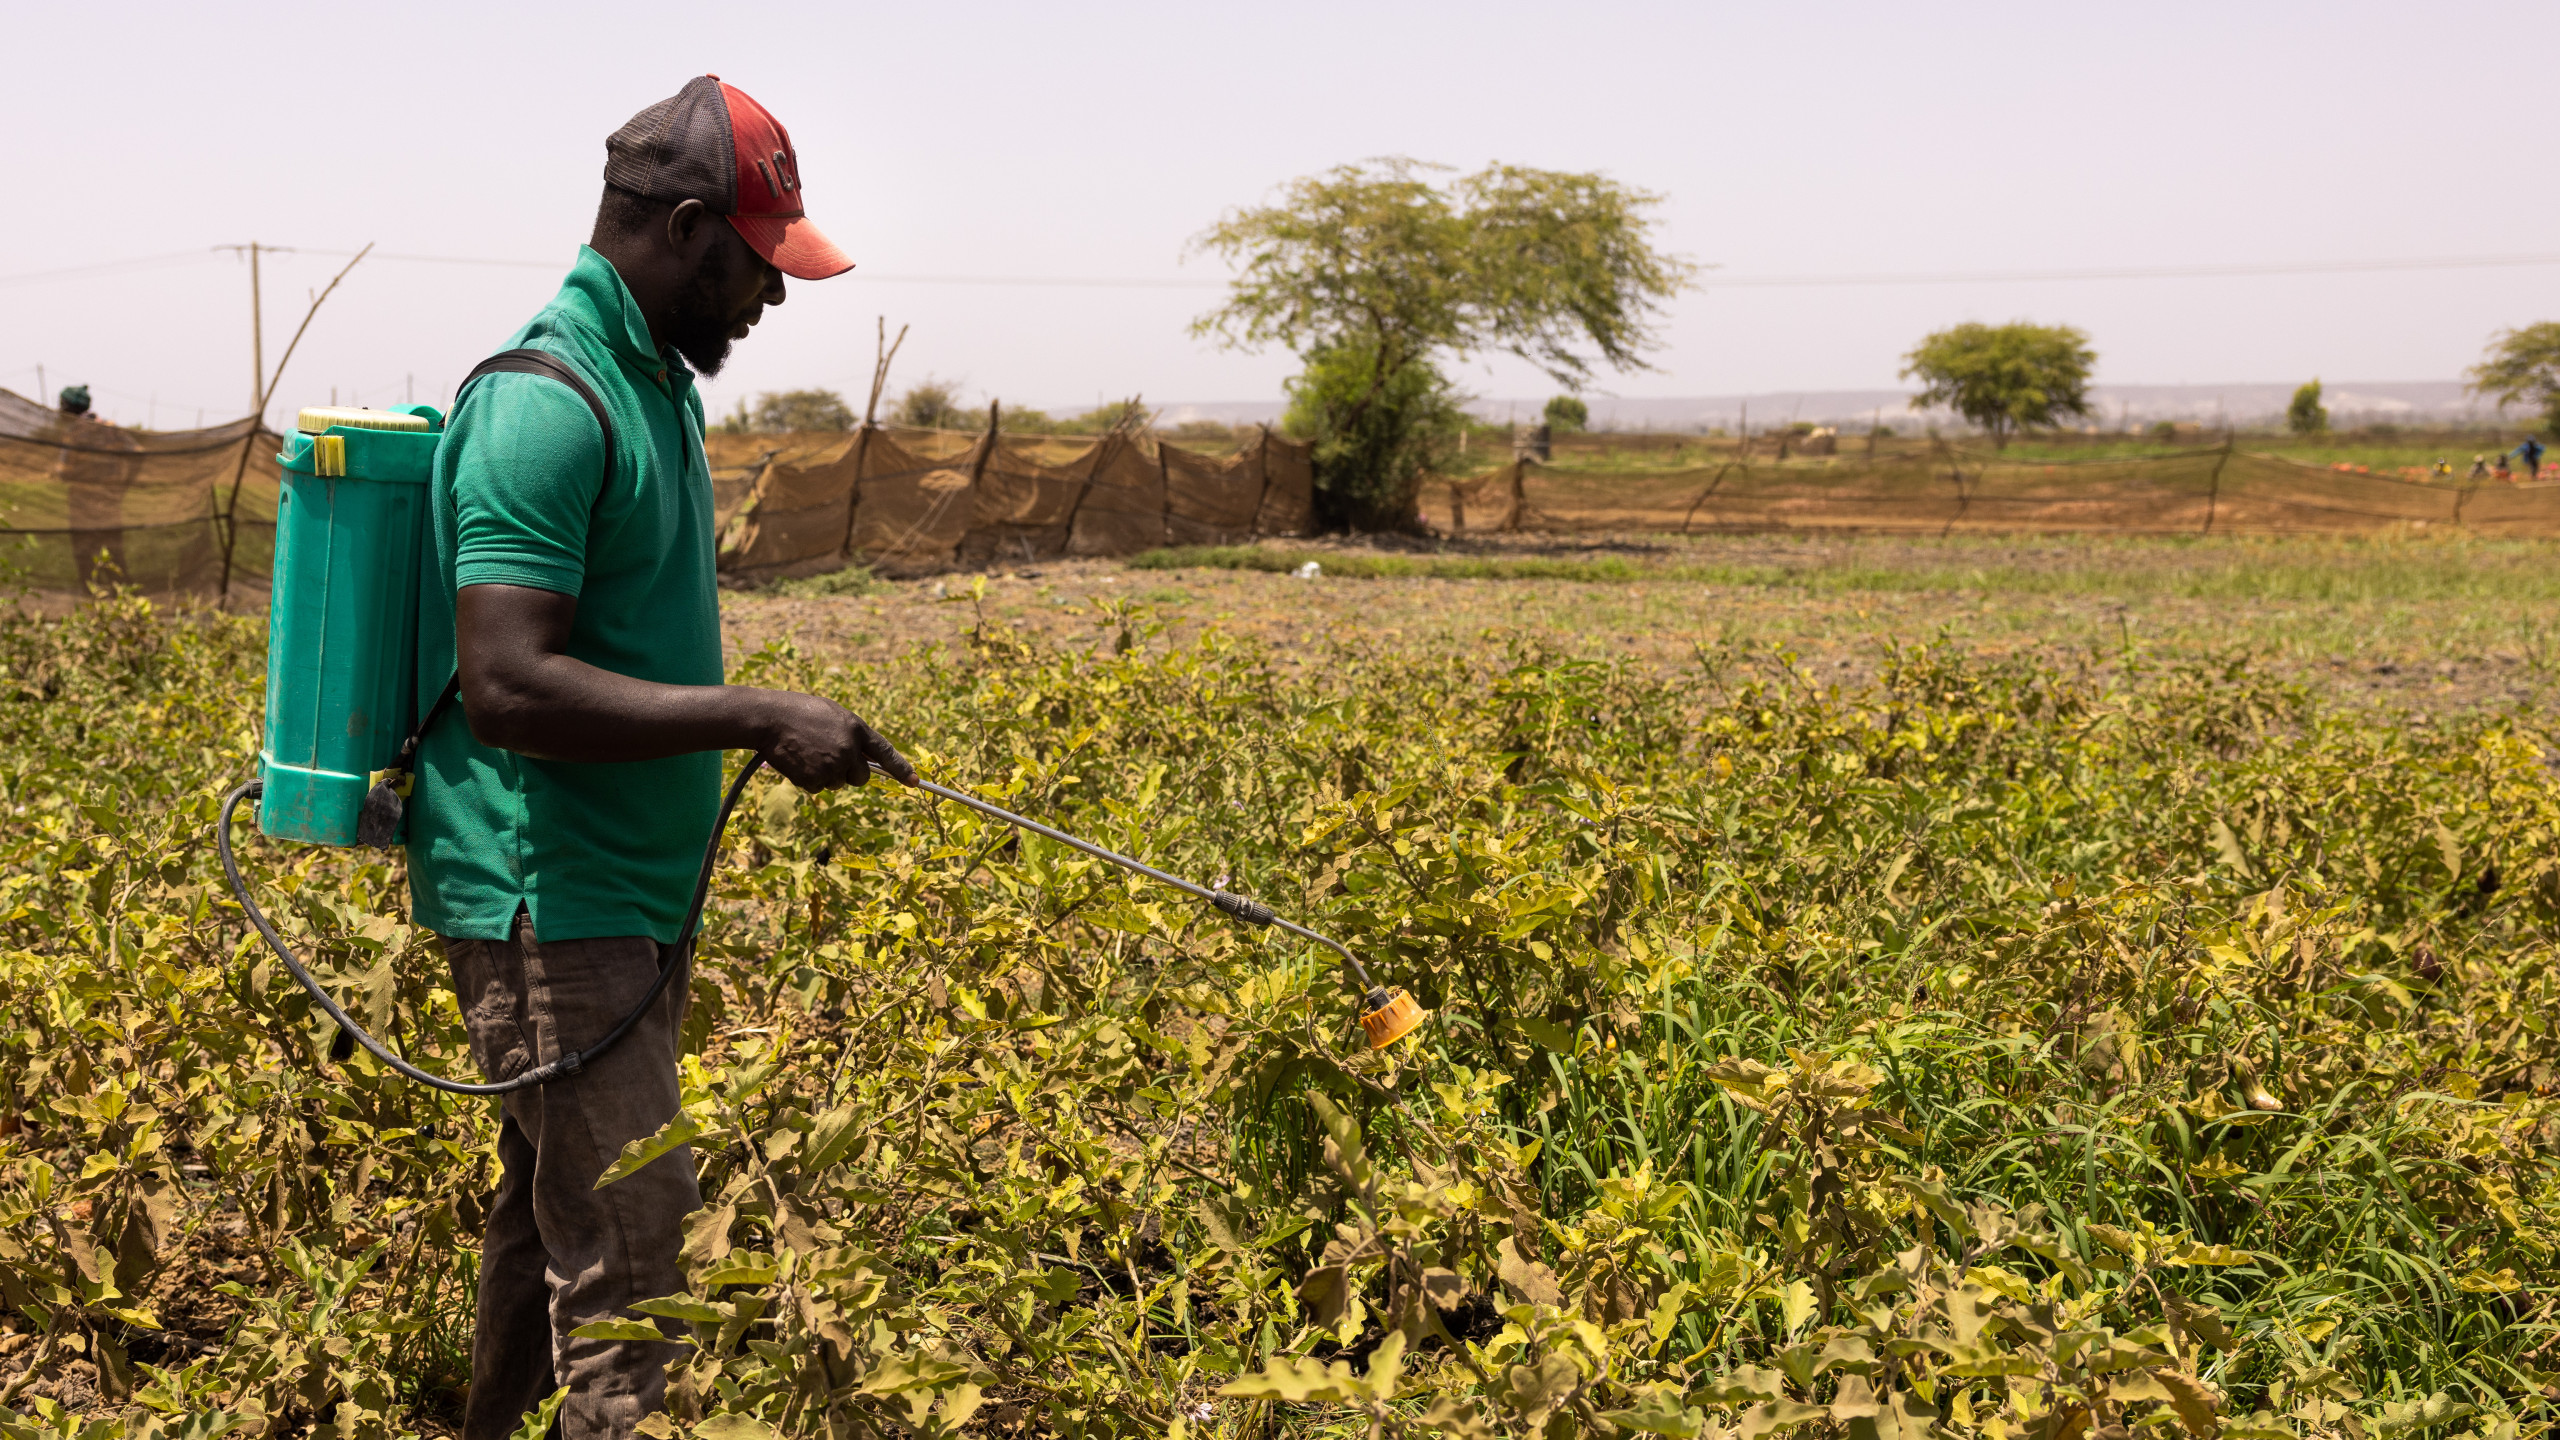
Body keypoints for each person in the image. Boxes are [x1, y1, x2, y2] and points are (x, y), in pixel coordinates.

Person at [412, 76, 912, 1440]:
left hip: (622, 896)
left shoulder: (653, 387)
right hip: (546, 898)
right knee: (639, 1282)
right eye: (759, 266)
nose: (774, 297)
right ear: (688, 231)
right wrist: (758, 714)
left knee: (547, 1224)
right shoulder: (548, 399)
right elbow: (506, 683)